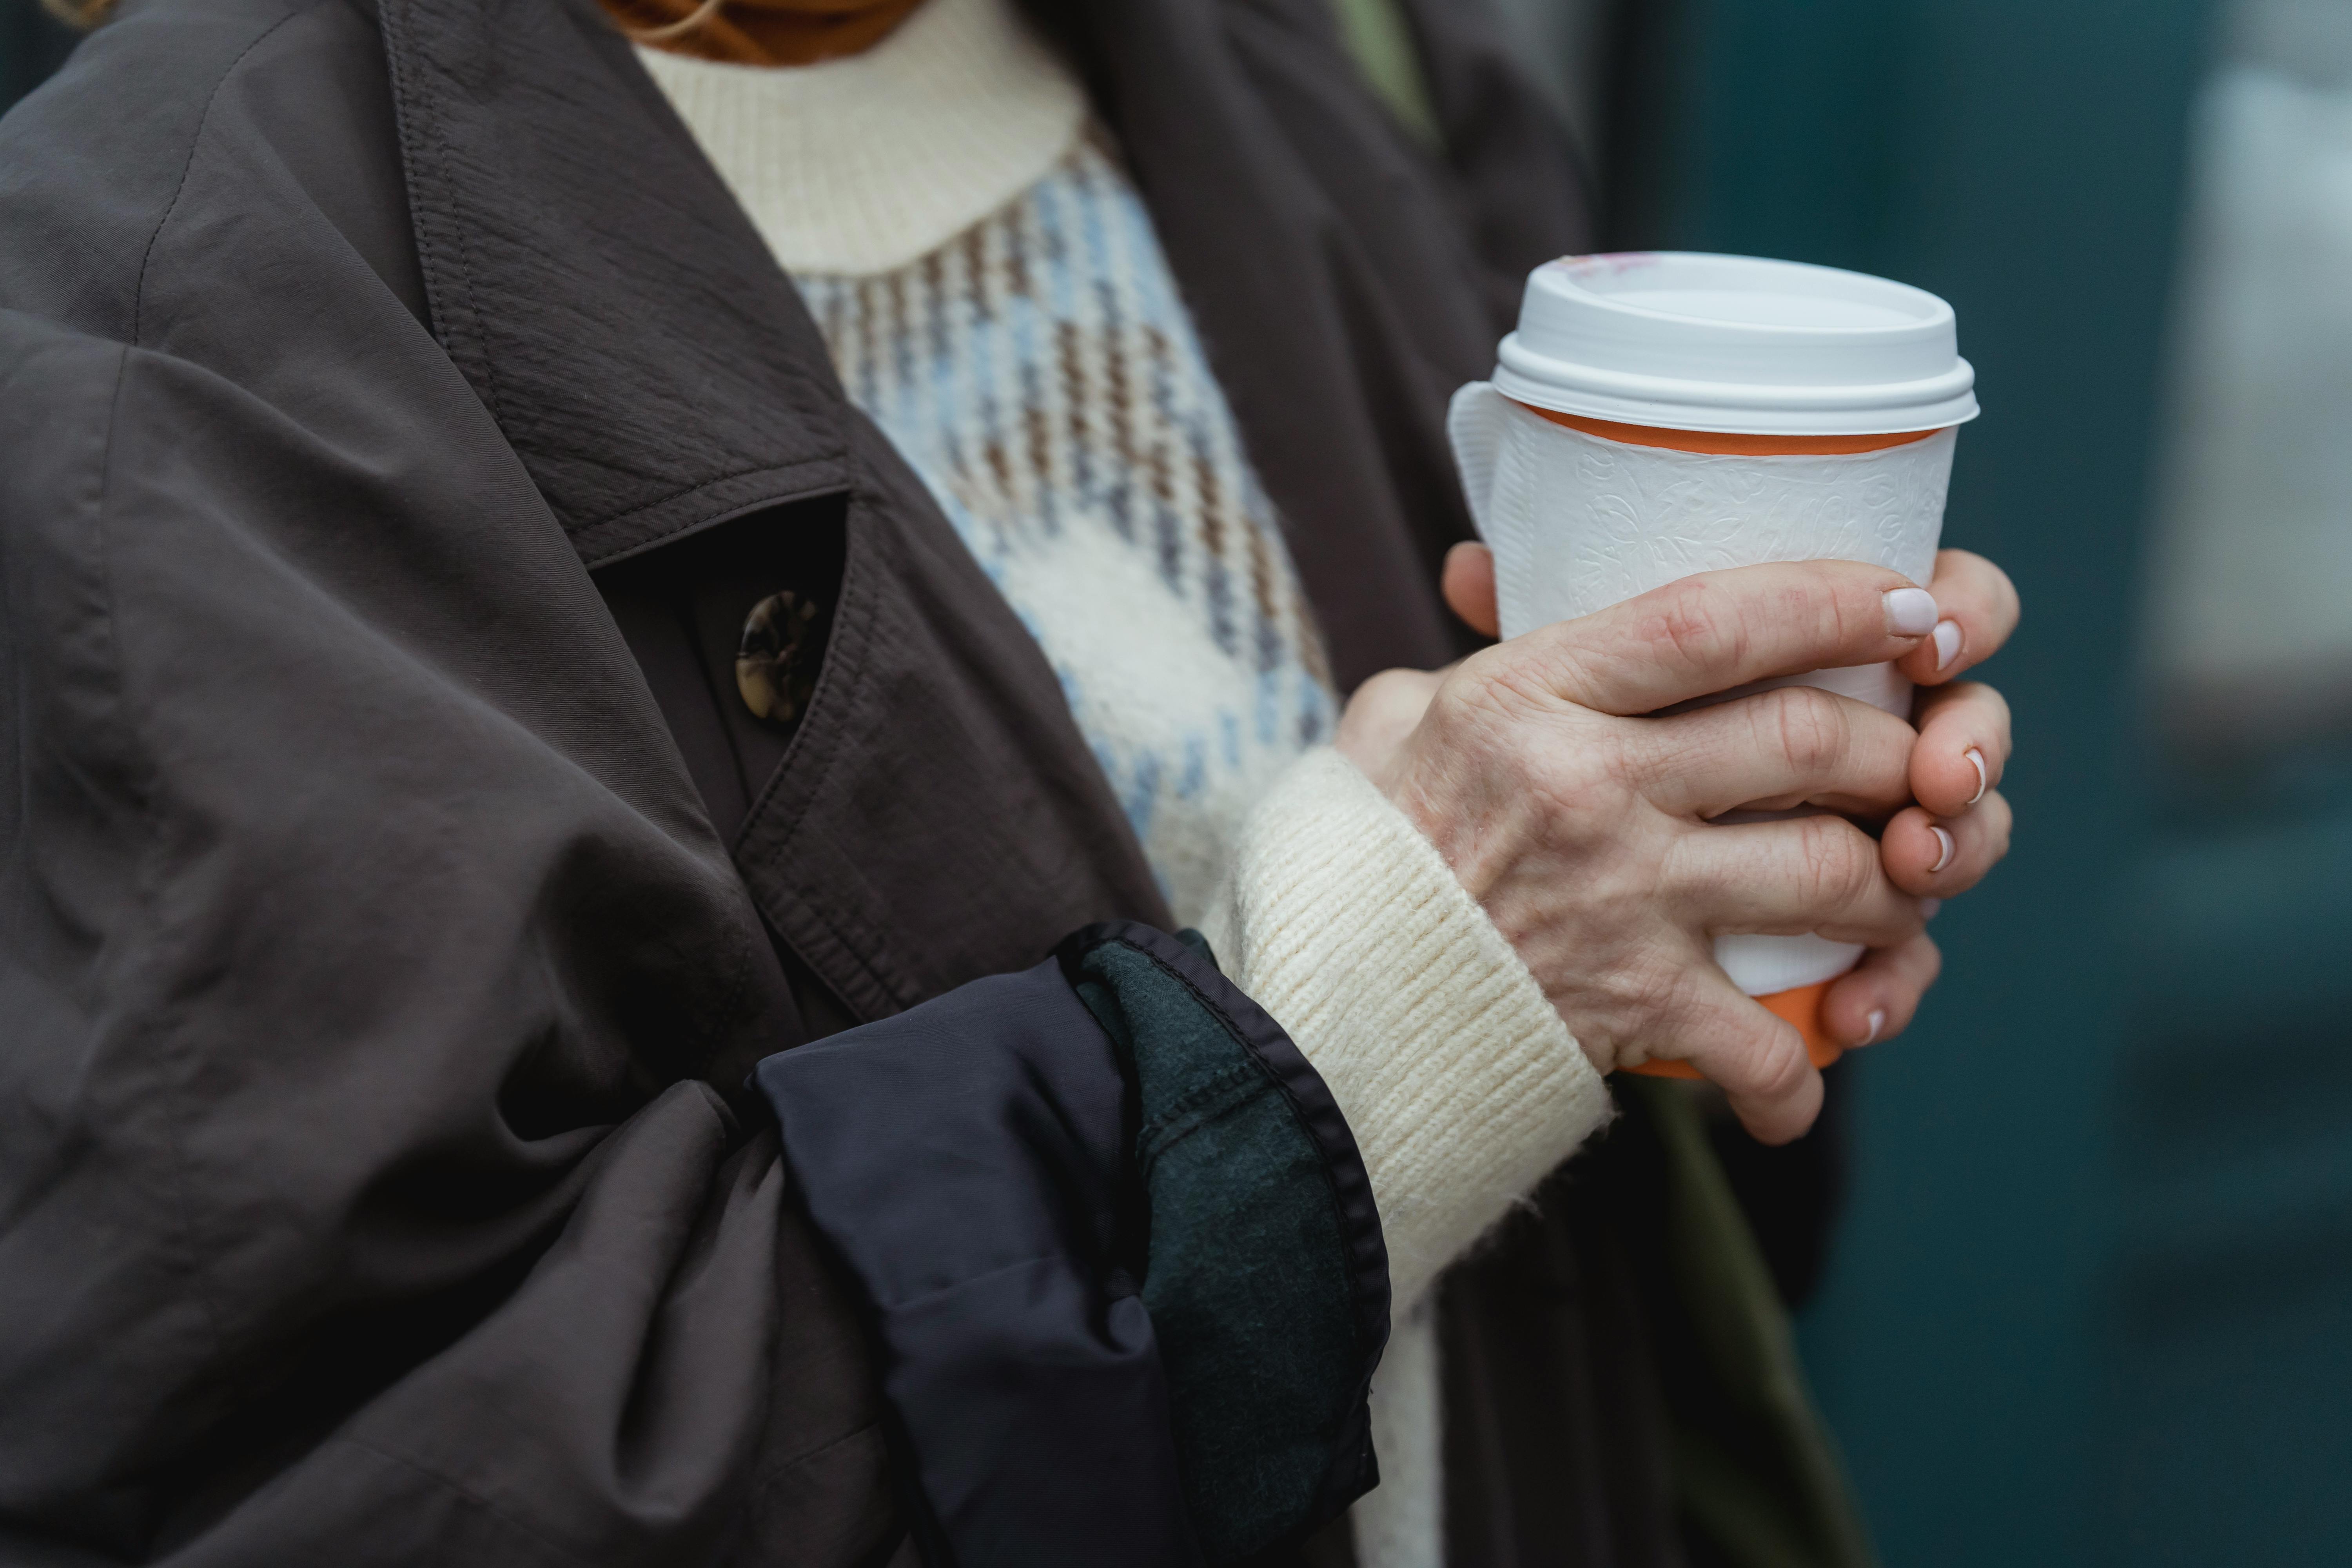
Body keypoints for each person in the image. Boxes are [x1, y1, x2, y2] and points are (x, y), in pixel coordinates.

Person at [0, 0, 2018, 1562]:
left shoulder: (1336, 62)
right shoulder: (163, 320)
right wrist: (1388, 1009)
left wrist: (1753, 837)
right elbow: (374, 1470)